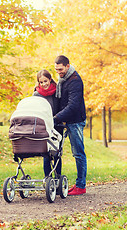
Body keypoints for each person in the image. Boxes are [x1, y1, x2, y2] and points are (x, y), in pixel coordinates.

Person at [53, 55, 87, 195]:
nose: (58, 72)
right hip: (66, 120)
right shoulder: (64, 79)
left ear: (67, 66)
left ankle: (81, 186)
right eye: (56, 70)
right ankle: (75, 184)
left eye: (60, 69)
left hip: (75, 121)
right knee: (59, 151)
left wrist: (56, 118)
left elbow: (73, 106)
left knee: (78, 153)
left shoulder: (74, 81)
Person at [33, 69, 62, 177]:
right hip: (43, 127)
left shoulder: (57, 91)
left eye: (45, 81)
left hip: (56, 125)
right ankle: (48, 179)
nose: (44, 84)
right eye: (41, 82)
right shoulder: (36, 94)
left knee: (57, 153)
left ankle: (58, 178)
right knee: (46, 154)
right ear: (38, 83)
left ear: (50, 79)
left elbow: (61, 107)